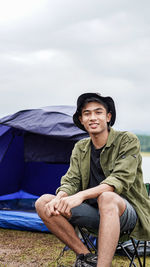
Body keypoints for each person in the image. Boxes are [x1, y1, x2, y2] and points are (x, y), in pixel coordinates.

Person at [35, 93, 150, 267]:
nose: (93, 117)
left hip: (127, 214)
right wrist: (61, 197)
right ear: (81, 119)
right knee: (44, 202)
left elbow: (118, 180)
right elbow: (71, 180)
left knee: (107, 197)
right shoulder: (80, 147)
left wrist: (80, 196)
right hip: (95, 214)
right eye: (87, 113)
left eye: (98, 112)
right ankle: (87, 257)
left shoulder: (127, 140)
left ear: (108, 117)